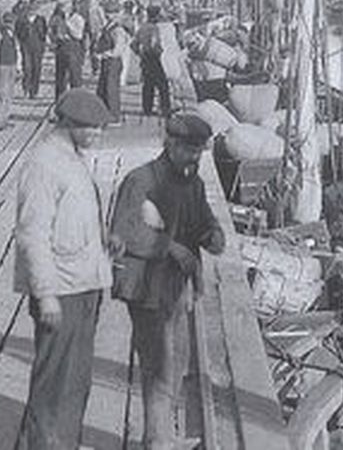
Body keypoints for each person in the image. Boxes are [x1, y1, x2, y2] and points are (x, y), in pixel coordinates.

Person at [110, 112, 226, 448]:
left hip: (179, 289)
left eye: (200, 152)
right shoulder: (140, 180)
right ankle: (158, 442)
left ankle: (160, 436)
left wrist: (214, 235)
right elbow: (122, 234)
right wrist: (169, 247)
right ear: (171, 144)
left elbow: (204, 221)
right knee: (158, 366)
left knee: (179, 362)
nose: (195, 158)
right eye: (190, 150)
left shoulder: (194, 183)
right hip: (146, 288)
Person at [13, 89, 114, 448]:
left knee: (75, 381)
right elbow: (32, 235)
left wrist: (103, 238)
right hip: (61, 291)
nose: (98, 135)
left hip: (84, 284)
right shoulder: (43, 164)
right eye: (93, 128)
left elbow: (74, 216)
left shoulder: (73, 157)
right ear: (70, 124)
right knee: (53, 383)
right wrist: (46, 296)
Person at [133, 6, 171, 117]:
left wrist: (140, 53)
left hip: (145, 58)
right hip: (154, 58)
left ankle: (147, 109)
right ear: (157, 16)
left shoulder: (143, 27)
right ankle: (165, 109)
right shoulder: (155, 28)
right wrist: (160, 52)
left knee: (148, 84)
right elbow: (154, 45)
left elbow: (133, 44)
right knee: (163, 85)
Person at [94, 14, 130, 123]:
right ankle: (103, 113)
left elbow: (118, 50)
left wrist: (104, 54)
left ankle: (114, 116)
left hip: (113, 62)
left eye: (111, 13)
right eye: (107, 12)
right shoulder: (108, 27)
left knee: (111, 89)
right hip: (107, 62)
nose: (108, 15)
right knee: (102, 88)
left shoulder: (118, 30)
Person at [52, 0, 87, 98]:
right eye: (61, 6)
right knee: (60, 76)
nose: (63, 8)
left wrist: (68, 24)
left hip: (73, 47)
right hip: (61, 47)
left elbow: (78, 35)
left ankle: (76, 98)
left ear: (71, 7)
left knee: (74, 75)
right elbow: (52, 31)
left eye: (65, 6)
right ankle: (59, 99)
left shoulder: (78, 18)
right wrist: (55, 36)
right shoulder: (58, 18)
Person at [16, 4, 49, 99]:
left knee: (37, 69)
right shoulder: (21, 20)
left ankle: (34, 91)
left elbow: (44, 33)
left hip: (38, 47)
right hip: (26, 47)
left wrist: (43, 45)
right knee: (27, 68)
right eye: (30, 9)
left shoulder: (41, 20)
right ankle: (26, 89)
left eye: (34, 9)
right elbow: (18, 33)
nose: (32, 11)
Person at [0, 16, 20, 129]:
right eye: (7, 22)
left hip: (12, 65)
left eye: (11, 22)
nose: (9, 24)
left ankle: (6, 117)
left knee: (10, 93)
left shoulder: (13, 35)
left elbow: (17, 51)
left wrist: (19, 67)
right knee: (1, 93)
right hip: (2, 65)